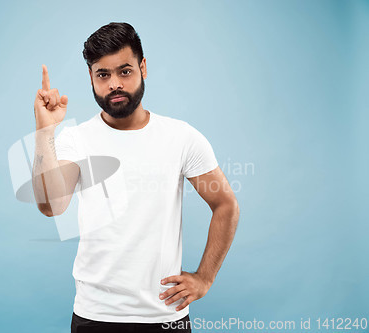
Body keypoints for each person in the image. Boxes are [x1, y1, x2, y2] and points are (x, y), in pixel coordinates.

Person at [32, 22, 240, 333]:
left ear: (143, 68)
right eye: (103, 74)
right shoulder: (76, 139)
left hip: (164, 317)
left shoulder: (182, 137)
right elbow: (52, 206)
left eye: (124, 71)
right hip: (95, 317)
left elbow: (226, 204)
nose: (114, 83)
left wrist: (205, 277)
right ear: (91, 77)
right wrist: (45, 130)